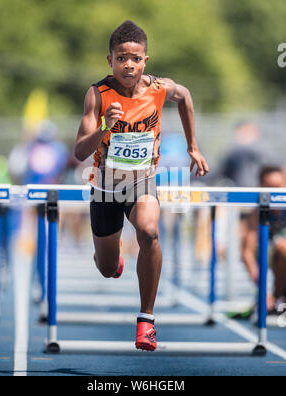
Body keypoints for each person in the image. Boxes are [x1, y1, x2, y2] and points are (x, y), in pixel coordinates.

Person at [74, 20, 209, 351]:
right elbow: (79, 151)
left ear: (145, 60)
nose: (128, 65)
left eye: (135, 58)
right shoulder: (98, 94)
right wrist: (106, 125)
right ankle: (112, 255)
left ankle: (146, 320)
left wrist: (192, 145)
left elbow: (186, 96)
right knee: (107, 269)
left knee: (149, 232)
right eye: (121, 58)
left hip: (142, 182)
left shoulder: (160, 88)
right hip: (106, 186)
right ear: (110, 61)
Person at [231, 166, 286, 319]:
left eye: (278, 187)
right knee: (281, 247)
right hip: (270, 259)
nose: (274, 192)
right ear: (261, 187)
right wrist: (263, 291)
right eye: (269, 187)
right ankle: (275, 299)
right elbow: (246, 254)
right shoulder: (256, 214)